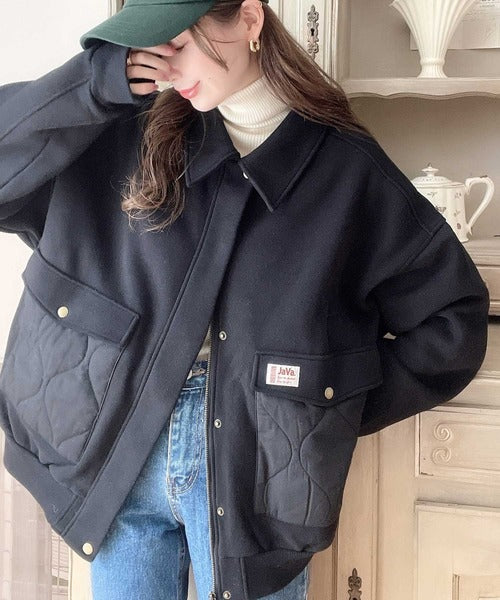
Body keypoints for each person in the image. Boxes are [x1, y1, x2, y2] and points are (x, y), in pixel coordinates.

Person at [0, 0, 489, 598]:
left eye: (179, 44)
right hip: (115, 455)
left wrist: (323, 407)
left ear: (251, 20)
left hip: (254, 468)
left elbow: (452, 323)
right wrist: (90, 85)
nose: (166, 70)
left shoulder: (343, 169)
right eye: (150, 50)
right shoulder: (124, 128)